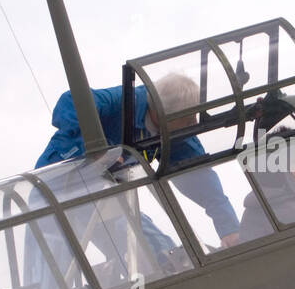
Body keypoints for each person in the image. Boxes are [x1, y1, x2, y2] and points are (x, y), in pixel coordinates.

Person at [35, 74, 239, 248]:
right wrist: (99, 150)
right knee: (53, 259)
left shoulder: (174, 132)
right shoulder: (122, 101)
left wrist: (229, 229)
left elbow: (199, 177)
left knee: (155, 248)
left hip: (105, 197)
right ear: (164, 113)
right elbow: (71, 101)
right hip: (53, 189)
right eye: (188, 116)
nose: (193, 122)